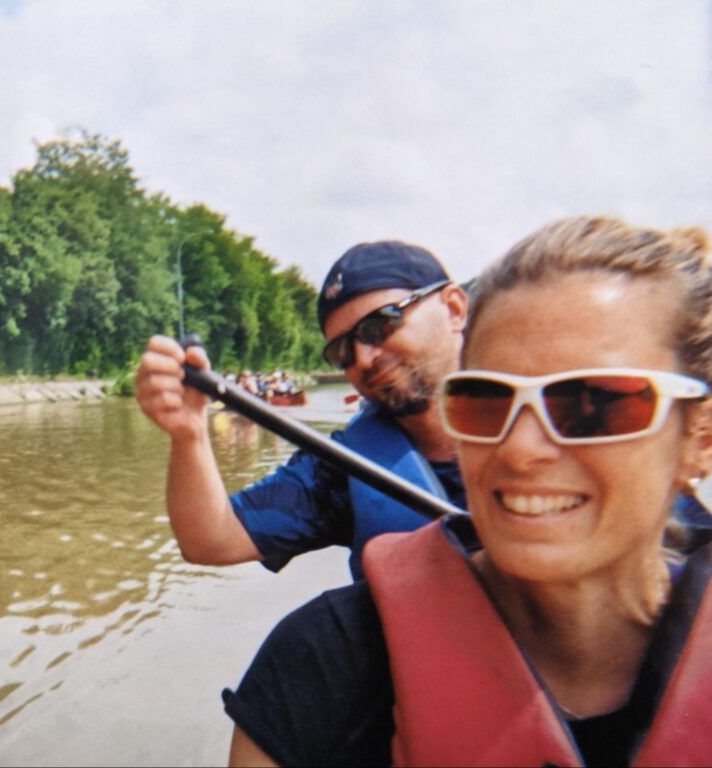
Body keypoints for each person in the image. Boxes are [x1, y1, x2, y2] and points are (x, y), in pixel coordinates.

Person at [223, 216, 712, 766]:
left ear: (700, 440)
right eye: (487, 400)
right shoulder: (319, 668)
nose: (520, 449)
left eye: (591, 402)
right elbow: (213, 540)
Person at [135, 241, 470, 580]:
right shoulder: (344, 468)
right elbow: (211, 541)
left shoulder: (524, 409)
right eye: (342, 352)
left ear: (454, 309)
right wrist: (189, 432)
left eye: (380, 325)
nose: (364, 359)